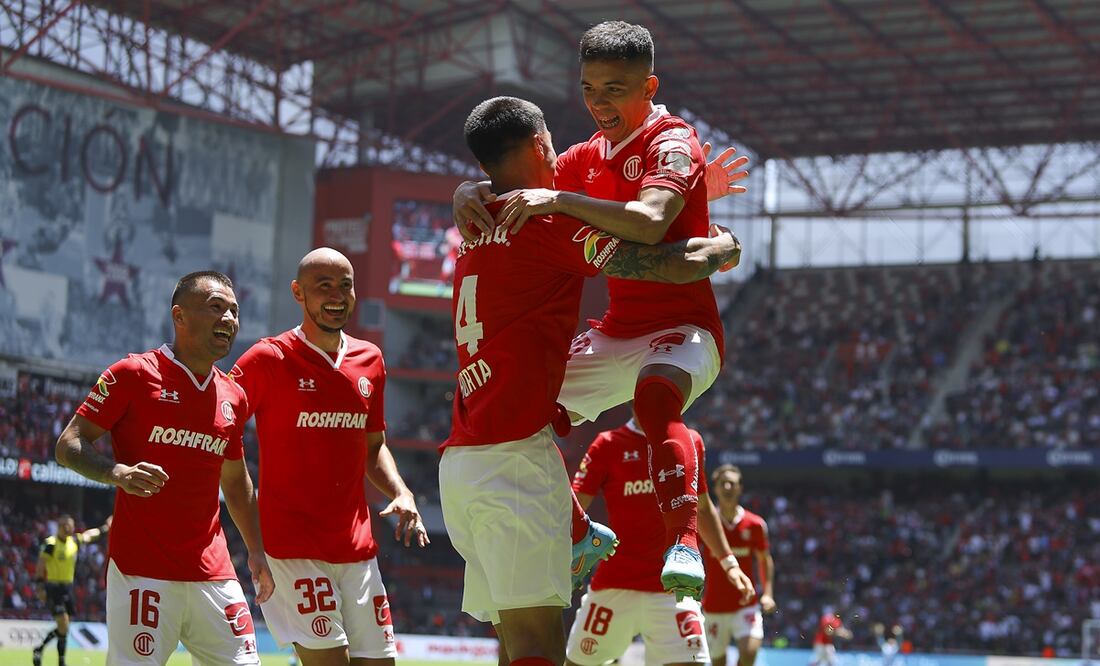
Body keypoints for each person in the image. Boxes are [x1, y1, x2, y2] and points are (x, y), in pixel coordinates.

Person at [440, 95, 741, 666]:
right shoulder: (545, 221)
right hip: (513, 464)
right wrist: (724, 242)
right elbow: (660, 258)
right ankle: (601, 534)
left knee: (515, 638)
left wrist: (696, 196)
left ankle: (580, 532)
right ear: (539, 145)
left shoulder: (476, 222)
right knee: (538, 646)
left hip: (463, 455)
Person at [56, 270, 273, 665]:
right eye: (216, 308)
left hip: (216, 572)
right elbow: (68, 445)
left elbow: (236, 481)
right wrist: (115, 473)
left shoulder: (233, 396)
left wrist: (256, 550)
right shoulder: (133, 374)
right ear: (180, 316)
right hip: (143, 571)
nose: (229, 319)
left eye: (234, 312)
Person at [231, 248, 430, 666]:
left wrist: (401, 491)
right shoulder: (268, 358)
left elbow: (373, 447)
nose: (337, 295)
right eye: (324, 286)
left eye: (345, 285)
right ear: (298, 293)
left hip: (357, 550)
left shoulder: (370, 360)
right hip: (293, 548)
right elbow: (218, 421)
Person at [565, 420, 753, 666]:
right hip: (614, 586)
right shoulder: (608, 444)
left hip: (674, 589)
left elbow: (703, 510)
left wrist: (729, 562)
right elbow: (573, 508)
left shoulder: (691, 440)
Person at [702, 466, 776, 666]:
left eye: (732, 483)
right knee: (718, 662)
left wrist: (767, 593)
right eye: (723, 483)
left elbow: (764, 559)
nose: (728, 487)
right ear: (715, 489)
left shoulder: (755, 524)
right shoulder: (705, 522)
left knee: (749, 652)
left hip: (746, 605)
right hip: (713, 607)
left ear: (740, 488)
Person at [31, 514, 111, 666]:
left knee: (64, 627)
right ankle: (61, 661)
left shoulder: (73, 541)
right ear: (60, 526)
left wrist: (104, 528)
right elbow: (40, 565)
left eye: (71, 526)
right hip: (53, 588)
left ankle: (40, 649)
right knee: (63, 623)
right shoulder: (51, 544)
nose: (69, 529)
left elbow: (88, 536)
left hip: (68, 588)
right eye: (66, 526)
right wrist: (40, 587)